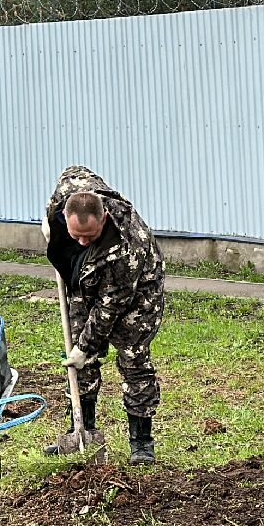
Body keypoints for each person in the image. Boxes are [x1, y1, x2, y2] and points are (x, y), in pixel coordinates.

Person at [43, 166, 167, 464]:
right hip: (87, 282)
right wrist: (51, 224)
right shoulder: (70, 193)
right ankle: (81, 431)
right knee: (79, 362)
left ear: (105, 219)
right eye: (77, 235)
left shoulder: (129, 246)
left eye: (90, 235)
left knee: (133, 362)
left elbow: (110, 306)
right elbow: (73, 172)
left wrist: (86, 347)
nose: (82, 241)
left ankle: (141, 443)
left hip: (136, 298)